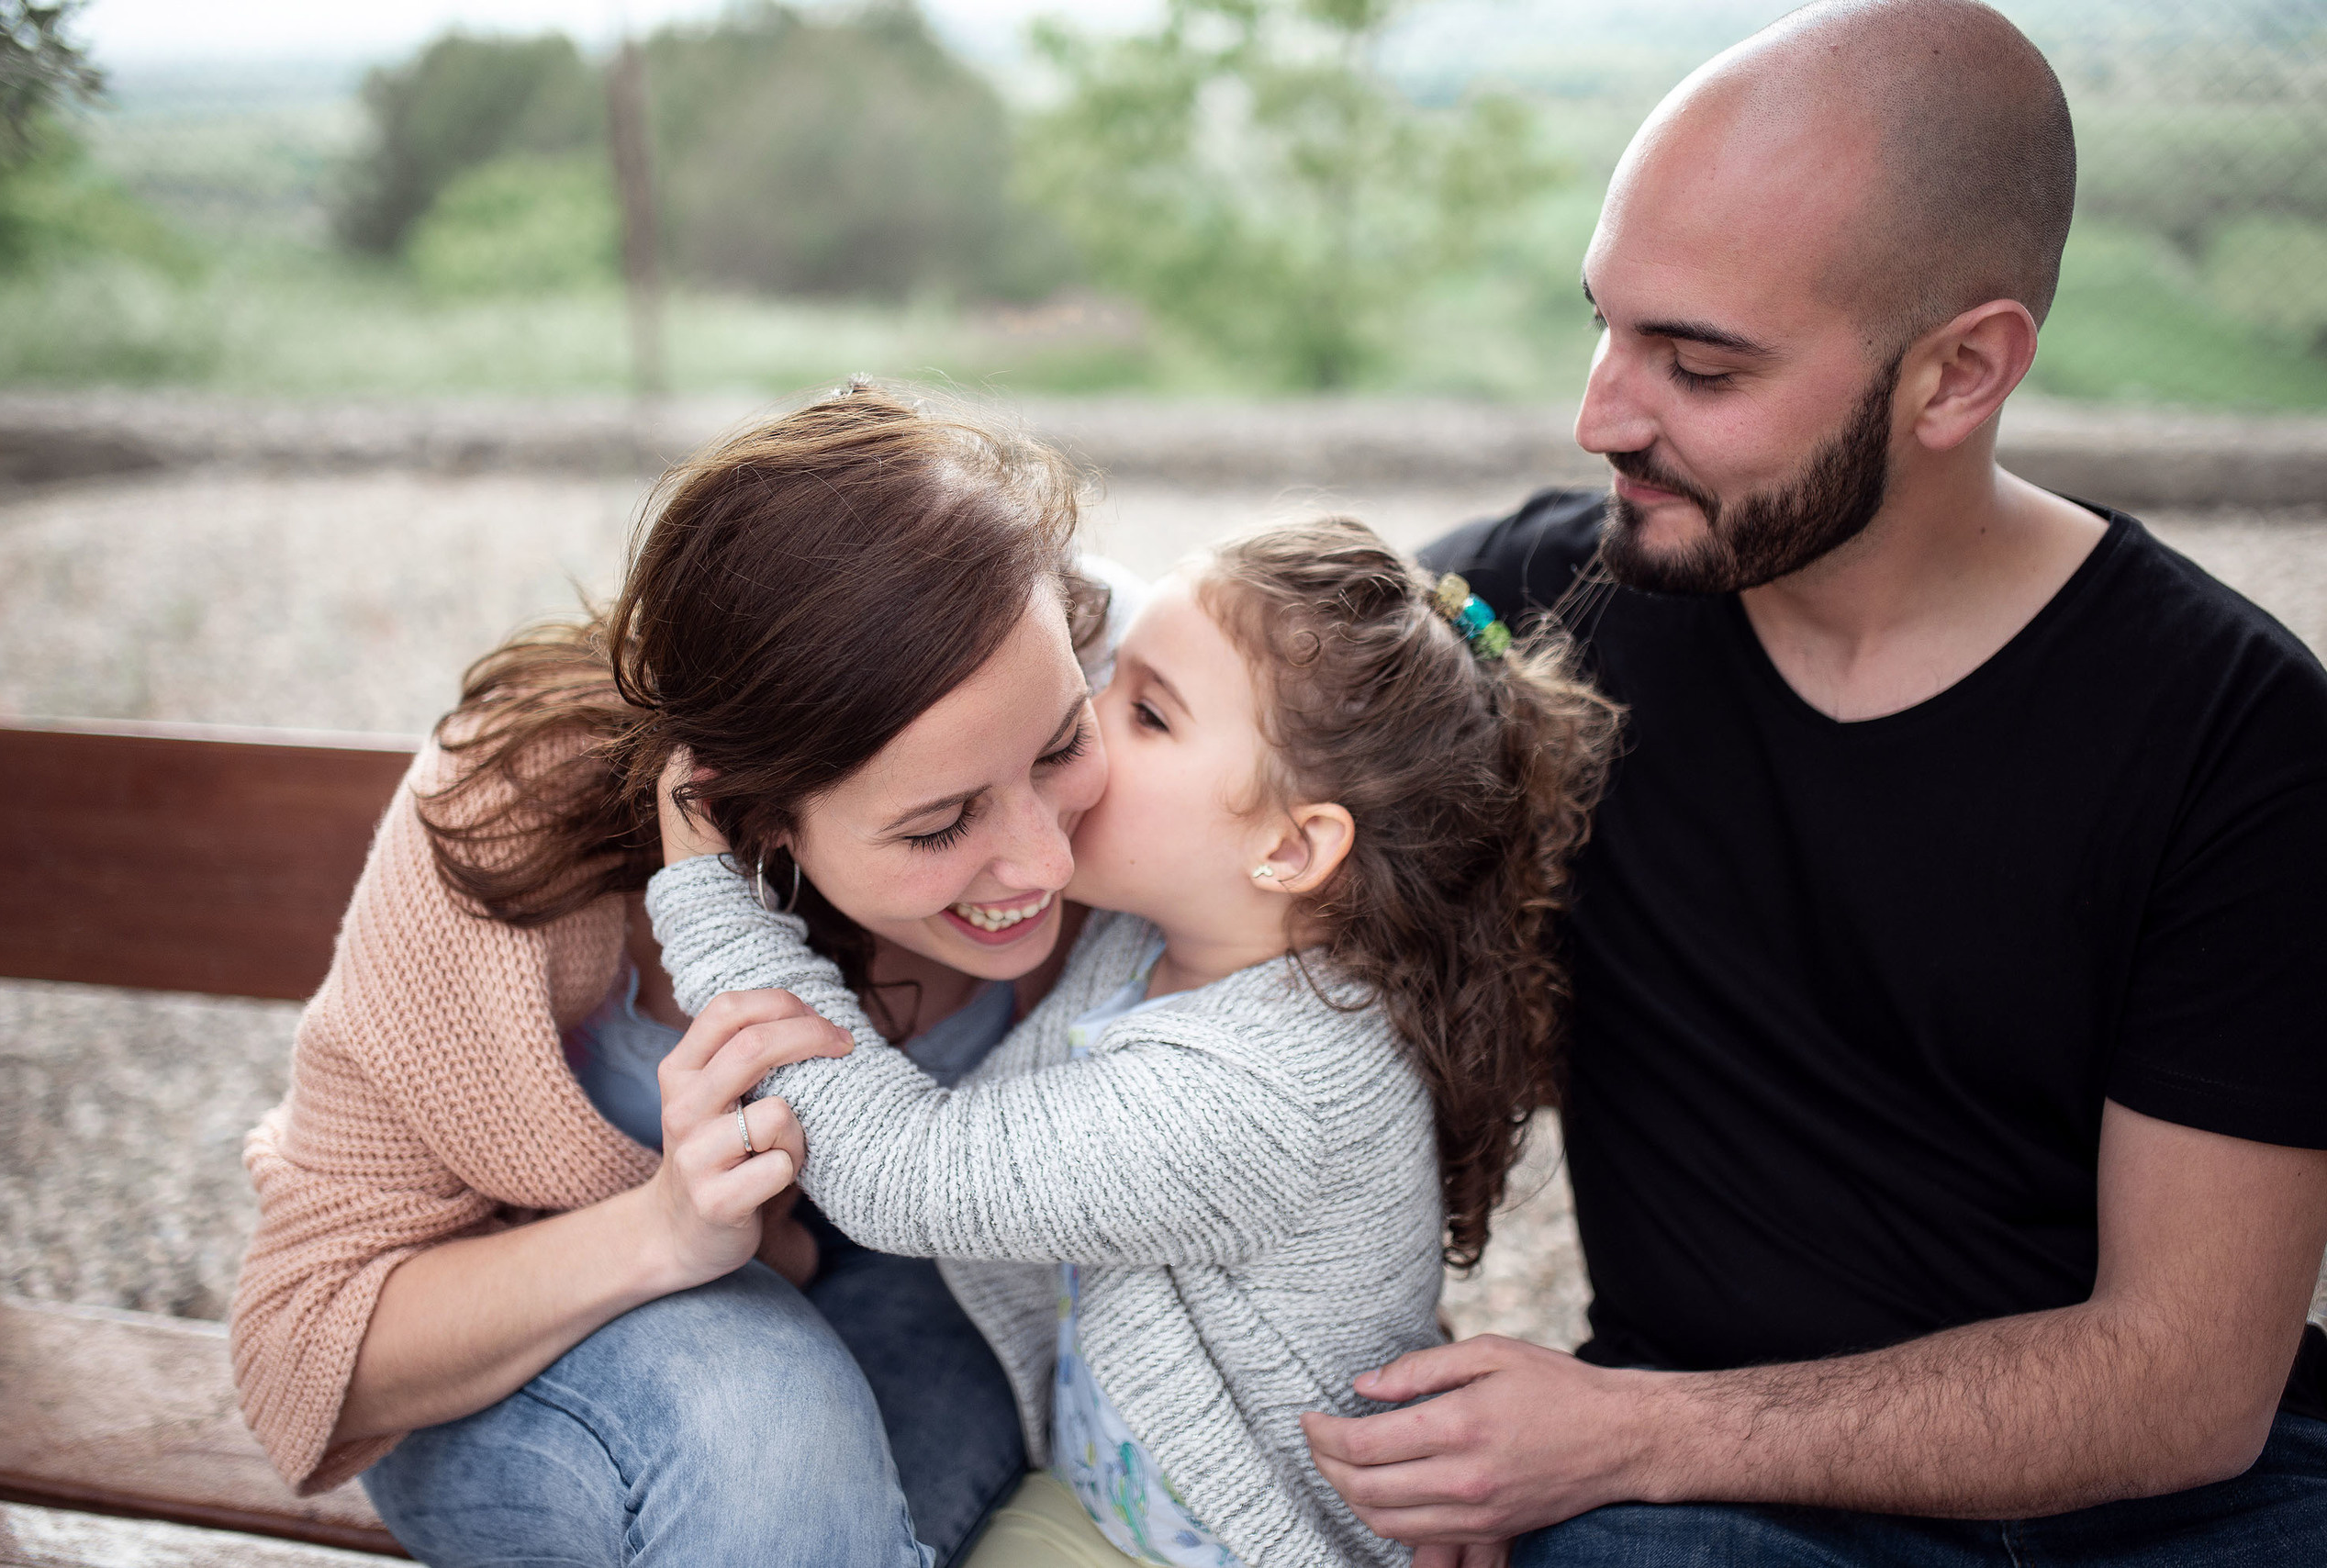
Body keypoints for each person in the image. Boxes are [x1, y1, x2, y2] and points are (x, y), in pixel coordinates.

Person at [1297, 3, 2327, 1564]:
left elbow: (2185, 1382)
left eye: (1699, 365)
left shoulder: (2236, 734)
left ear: (1959, 374)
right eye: (1607, 323)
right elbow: (1164, 704)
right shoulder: (1526, 622)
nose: (1602, 417)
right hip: (1721, 1523)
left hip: (2178, 1515)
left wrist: (1633, 1431)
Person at [231, 386, 1115, 1565]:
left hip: (922, 1305)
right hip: (553, 1358)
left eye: (1061, 744)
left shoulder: (1101, 680)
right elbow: (306, 1336)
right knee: (759, 1416)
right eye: (938, 824)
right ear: (744, 812)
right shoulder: (509, 818)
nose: (1048, 859)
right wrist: (666, 1230)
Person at [644, 518, 1618, 1568]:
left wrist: (707, 899)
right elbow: (1090, 613)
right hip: (1115, 1503)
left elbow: (901, 1170)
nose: (1081, 731)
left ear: (1289, 846)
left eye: (1143, 711)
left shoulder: (1257, 1091)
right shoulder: (1172, 936)